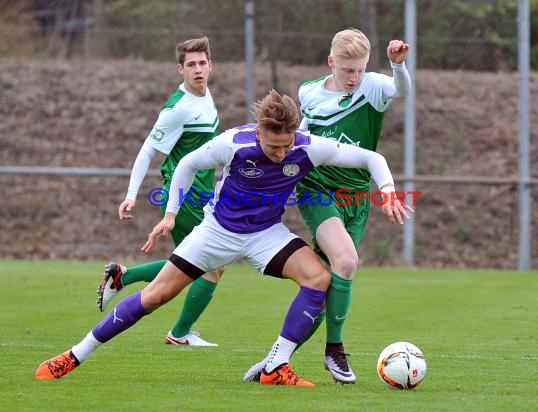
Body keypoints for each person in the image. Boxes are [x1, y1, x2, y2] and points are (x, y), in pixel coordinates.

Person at [35, 89, 411, 386]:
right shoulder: (234, 143)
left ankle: (275, 365)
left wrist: (389, 190)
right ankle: (74, 354)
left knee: (320, 278)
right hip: (217, 233)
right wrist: (170, 214)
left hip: (266, 234)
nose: (281, 154)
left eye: (286, 145)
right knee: (155, 296)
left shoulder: (308, 147)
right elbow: (187, 164)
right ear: (259, 131)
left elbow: (370, 159)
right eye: (273, 146)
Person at [244, 28, 411, 384]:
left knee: (328, 284)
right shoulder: (309, 92)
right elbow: (300, 135)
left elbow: (403, 90)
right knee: (347, 261)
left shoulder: (374, 87)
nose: (354, 78)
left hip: (355, 195)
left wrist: (398, 66)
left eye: (361, 70)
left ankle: (277, 357)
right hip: (317, 188)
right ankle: (334, 351)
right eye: (347, 70)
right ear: (331, 62)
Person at [97, 36, 223, 346]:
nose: (197, 69)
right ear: (180, 69)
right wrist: (131, 193)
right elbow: (147, 151)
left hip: (202, 194)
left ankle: (123, 277)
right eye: (190, 64)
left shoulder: (205, 96)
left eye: (202, 63)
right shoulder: (176, 109)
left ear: (211, 66)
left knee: (194, 264)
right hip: (182, 197)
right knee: (208, 265)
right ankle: (179, 333)